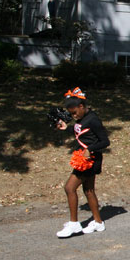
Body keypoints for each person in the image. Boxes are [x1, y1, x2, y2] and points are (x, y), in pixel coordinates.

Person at [55, 88, 110, 238]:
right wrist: (68, 128)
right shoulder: (82, 119)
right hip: (85, 158)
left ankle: (74, 224)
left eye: (74, 113)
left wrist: (90, 149)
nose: (73, 116)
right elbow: (81, 130)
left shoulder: (93, 119)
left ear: (81, 106)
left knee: (69, 188)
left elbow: (105, 141)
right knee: (89, 190)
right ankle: (98, 222)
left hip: (90, 160)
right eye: (71, 114)